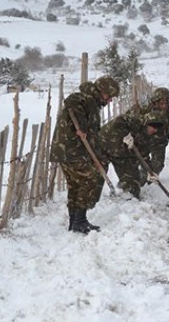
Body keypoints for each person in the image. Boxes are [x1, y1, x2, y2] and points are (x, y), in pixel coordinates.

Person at [50, 75, 120, 234]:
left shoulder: (91, 103)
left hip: (67, 150)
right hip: (72, 150)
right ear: (102, 91)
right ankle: (79, 221)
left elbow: (93, 135)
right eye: (109, 96)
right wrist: (81, 125)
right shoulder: (86, 99)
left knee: (75, 185)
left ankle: (74, 221)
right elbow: (71, 101)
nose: (110, 101)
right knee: (90, 179)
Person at [98, 110, 167, 198]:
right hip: (104, 146)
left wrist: (150, 171)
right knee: (94, 179)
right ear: (147, 123)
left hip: (122, 155)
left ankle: (128, 197)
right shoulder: (136, 121)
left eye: (157, 128)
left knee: (133, 186)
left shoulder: (147, 137)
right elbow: (119, 121)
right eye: (153, 127)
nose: (155, 130)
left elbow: (143, 155)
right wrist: (126, 134)